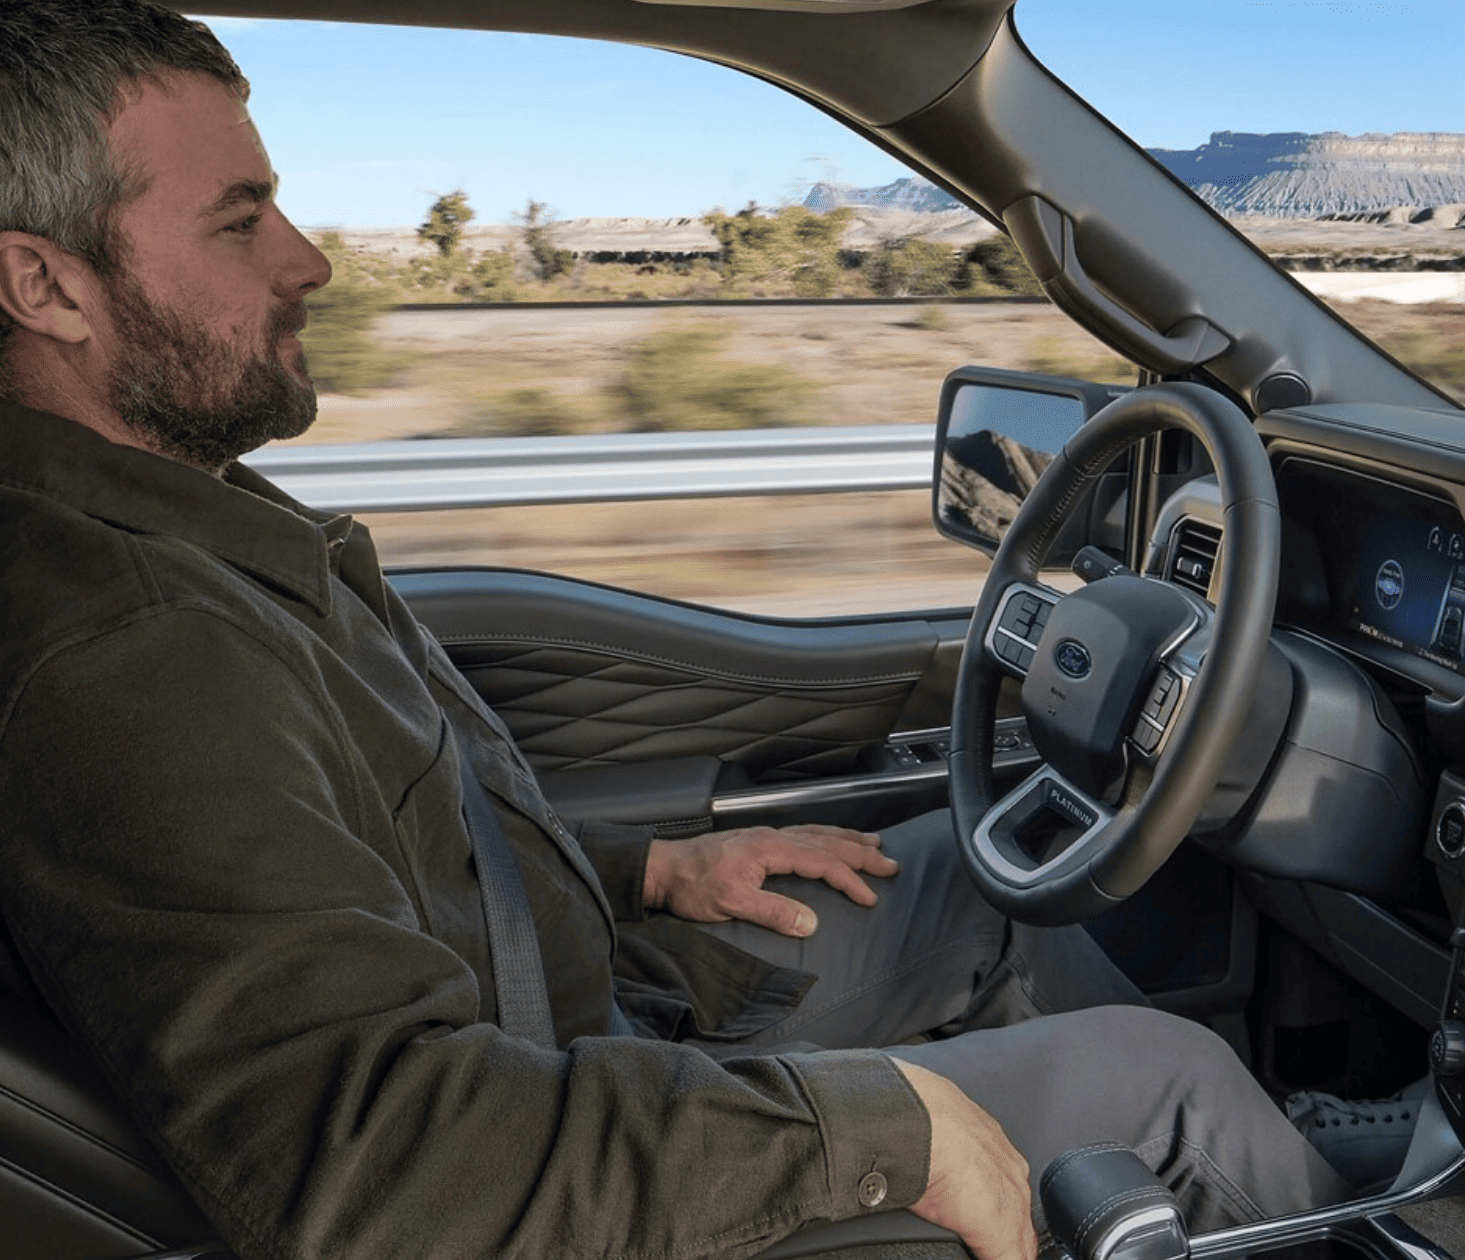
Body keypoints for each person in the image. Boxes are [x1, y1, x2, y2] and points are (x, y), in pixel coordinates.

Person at [0, 5, 1355, 1259]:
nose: (312, 258)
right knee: (1176, 1090)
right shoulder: (125, 656)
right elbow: (382, 1156)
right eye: (240, 223)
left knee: (970, 879)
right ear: (44, 287)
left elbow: (359, 849)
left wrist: (649, 871)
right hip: (546, 1117)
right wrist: (884, 1137)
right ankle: (1306, 1193)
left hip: (586, 1007)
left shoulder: (179, 507)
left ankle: (1229, 1169)